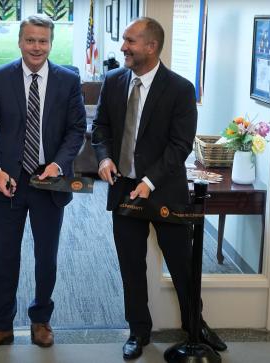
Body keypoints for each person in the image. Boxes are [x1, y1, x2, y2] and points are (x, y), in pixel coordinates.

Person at [91, 17, 227, 360]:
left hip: (165, 191)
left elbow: (179, 145)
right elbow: (101, 127)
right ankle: (138, 330)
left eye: (130, 41)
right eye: (124, 40)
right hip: (123, 189)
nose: (123, 47)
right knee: (131, 266)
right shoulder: (113, 81)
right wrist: (104, 158)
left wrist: (149, 182)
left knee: (182, 264)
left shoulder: (180, 89)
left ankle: (195, 326)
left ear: (151, 47)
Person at [0, 14, 86, 354]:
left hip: (50, 182)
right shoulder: (1, 77)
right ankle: (0, 325)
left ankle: (41, 319)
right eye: (30, 40)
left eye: (43, 41)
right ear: (20, 42)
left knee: (46, 255)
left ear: (50, 43)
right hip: (10, 182)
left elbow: (76, 129)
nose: (37, 47)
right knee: (5, 254)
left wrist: (58, 163)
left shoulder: (68, 80)